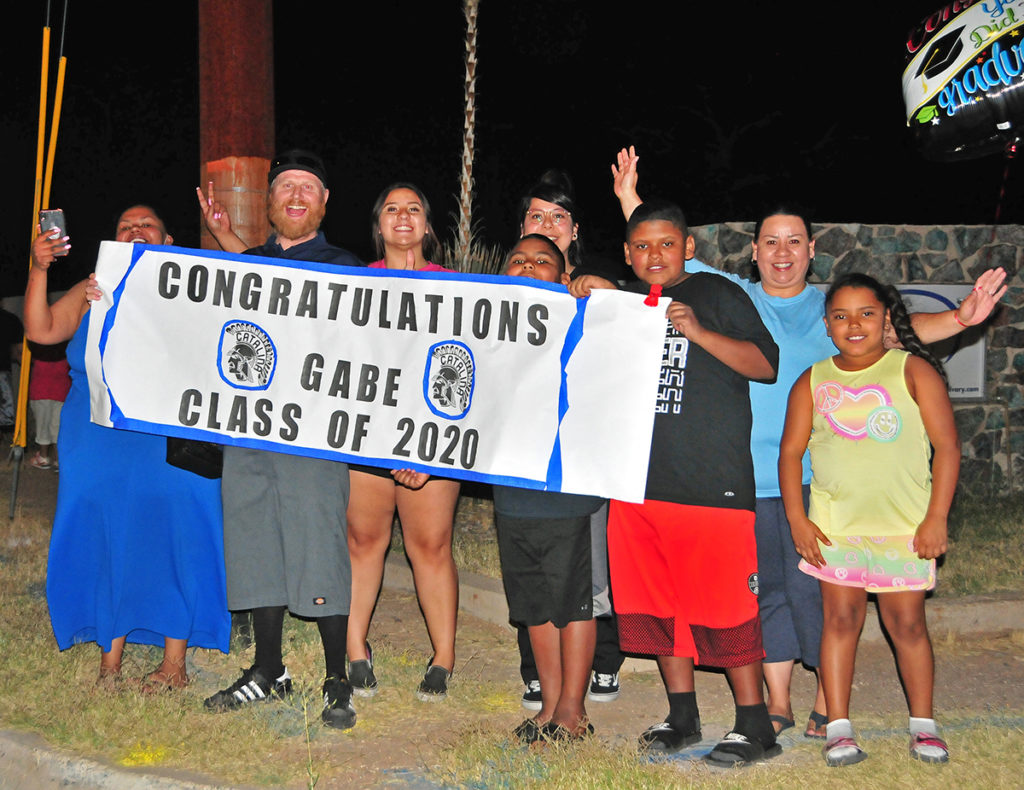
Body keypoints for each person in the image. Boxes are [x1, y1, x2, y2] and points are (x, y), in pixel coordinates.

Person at [611, 146, 1006, 738]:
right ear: (754, 251)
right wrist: (629, 201)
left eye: (794, 241)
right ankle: (777, 701)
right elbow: (664, 252)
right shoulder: (729, 293)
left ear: (811, 250)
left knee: (812, 595)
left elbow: (894, 333)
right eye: (770, 240)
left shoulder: (831, 310)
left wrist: (962, 319)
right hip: (740, 476)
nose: (782, 252)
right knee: (761, 592)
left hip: (811, 480)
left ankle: (828, 697)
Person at [570, 200, 782, 767]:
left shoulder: (717, 296)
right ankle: (682, 715)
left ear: (688, 247)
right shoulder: (626, 302)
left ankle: (754, 724)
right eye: (641, 246)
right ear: (626, 255)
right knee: (657, 605)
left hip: (711, 483)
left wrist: (699, 331)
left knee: (725, 603)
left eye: (666, 244)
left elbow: (766, 364)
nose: (653, 255)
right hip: (636, 484)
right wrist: (589, 285)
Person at [25, 205, 229, 690]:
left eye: (147, 225)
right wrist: (39, 268)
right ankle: (109, 661)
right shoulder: (94, 286)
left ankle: (173, 665)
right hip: (97, 434)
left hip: (169, 434)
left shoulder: (196, 288)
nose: (136, 230)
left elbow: (251, 297)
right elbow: (40, 331)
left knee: (177, 529)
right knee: (107, 532)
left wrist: (222, 236)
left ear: (170, 241)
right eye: (125, 226)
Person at [202, 150, 364, 730]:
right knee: (253, 539)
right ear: (269, 203)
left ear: (323, 203)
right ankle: (268, 670)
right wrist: (224, 238)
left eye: (308, 188)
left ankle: (336, 677)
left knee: (318, 543)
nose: (296, 196)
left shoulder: (348, 268)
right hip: (248, 430)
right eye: (285, 188)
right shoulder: (250, 263)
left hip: (314, 435)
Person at [779, 273, 960, 766]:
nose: (853, 325)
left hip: (905, 529)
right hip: (836, 530)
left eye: (866, 314)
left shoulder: (912, 371)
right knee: (839, 622)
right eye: (840, 316)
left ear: (886, 319)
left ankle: (924, 726)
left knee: (908, 626)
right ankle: (838, 728)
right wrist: (798, 518)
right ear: (827, 324)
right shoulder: (813, 380)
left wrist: (936, 517)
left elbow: (946, 446)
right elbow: (790, 454)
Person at [515, 171, 625, 709]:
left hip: (577, 471)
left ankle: (582, 692)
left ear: (573, 230)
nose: (547, 226)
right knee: (534, 583)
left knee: (584, 582)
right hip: (518, 478)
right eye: (536, 217)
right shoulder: (494, 304)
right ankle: (540, 678)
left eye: (557, 217)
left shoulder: (595, 291)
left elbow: (648, 309)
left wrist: (607, 292)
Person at [345, 183, 460, 701]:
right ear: (379, 226)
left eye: (414, 208)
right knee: (364, 542)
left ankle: (443, 657)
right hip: (367, 436)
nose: (403, 216)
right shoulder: (347, 286)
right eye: (391, 208)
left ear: (427, 226)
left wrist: (430, 450)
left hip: (432, 440)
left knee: (429, 546)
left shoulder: (461, 289)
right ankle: (354, 649)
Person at [494, 234, 604, 743]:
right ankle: (550, 706)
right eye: (518, 261)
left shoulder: (587, 320)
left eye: (542, 261)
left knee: (573, 602)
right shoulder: (489, 330)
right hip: (513, 488)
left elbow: (637, 317)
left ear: (563, 276)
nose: (528, 267)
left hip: (570, 488)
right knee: (535, 603)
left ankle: (573, 711)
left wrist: (601, 292)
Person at [27, 340, 70, 470]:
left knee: (42, 425)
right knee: (57, 427)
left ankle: (44, 457)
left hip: (41, 392)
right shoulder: (66, 352)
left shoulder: (38, 351)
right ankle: (58, 460)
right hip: (61, 392)